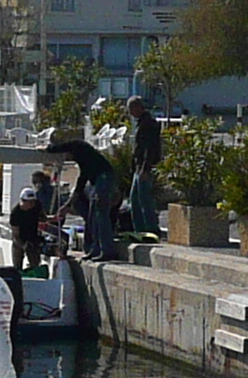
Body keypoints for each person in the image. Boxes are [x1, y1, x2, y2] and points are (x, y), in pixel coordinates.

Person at [50, 128, 119, 260]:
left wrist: (47, 149)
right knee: (92, 216)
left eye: (65, 155)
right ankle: (95, 249)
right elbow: (80, 185)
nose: (66, 159)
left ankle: (107, 250)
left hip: (103, 178)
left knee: (100, 213)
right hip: (97, 181)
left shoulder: (79, 148)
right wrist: (66, 206)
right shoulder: (85, 163)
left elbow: (60, 147)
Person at [125, 96, 164, 237]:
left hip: (144, 168)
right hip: (138, 167)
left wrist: (145, 168)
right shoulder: (141, 123)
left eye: (131, 110)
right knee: (134, 201)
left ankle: (151, 229)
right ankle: (140, 230)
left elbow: (150, 148)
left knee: (144, 200)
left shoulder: (148, 124)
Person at [8, 166, 55, 273]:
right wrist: (23, 245)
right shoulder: (15, 213)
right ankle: (18, 273)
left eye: (33, 202)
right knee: (17, 265)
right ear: (22, 201)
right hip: (19, 240)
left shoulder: (36, 206)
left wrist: (52, 219)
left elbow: (42, 217)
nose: (31, 204)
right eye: (28, 202)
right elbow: (15, 234)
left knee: (35, 262)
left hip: (33, 238)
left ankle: (34, 272)